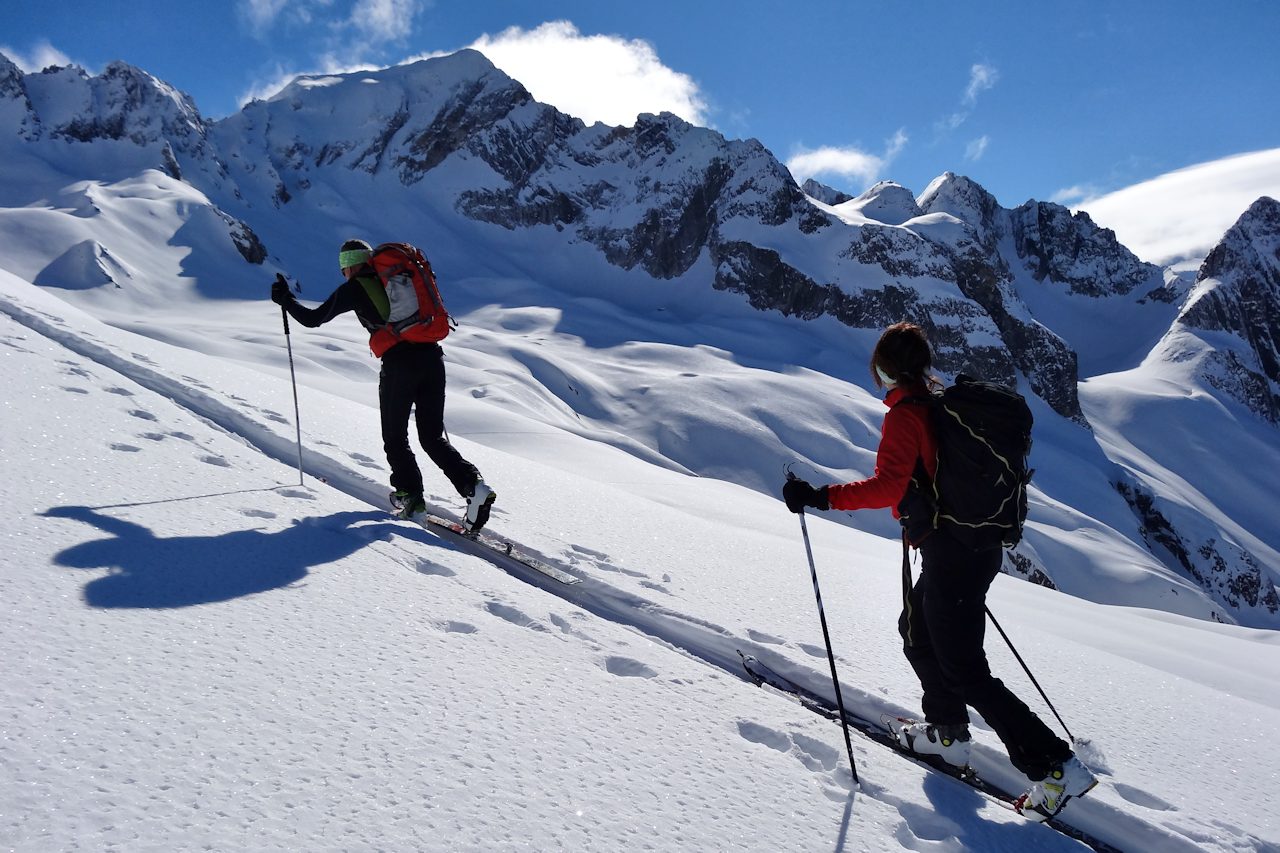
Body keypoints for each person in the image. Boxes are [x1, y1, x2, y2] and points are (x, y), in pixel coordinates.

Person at [781, 321, 1096, 818]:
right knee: (918, 632)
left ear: (884, 371)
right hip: (970, 549)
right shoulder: (939, 406)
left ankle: (1055, 766)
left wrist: (821, 497)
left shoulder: (907, 416)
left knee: (965, 670)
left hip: (955, 554)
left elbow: (888, 486)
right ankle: (948, 734)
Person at [272, 239, 496, 531]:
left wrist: (285, 299)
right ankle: (474, 487)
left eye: (343, 268)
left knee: (395, 436)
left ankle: (411, 499)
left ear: (349, 265)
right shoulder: (398, 279)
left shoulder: (356, 287)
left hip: (399, 364)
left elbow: (313, 319)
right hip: (432, 358)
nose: (343, 274)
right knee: (432, 438)